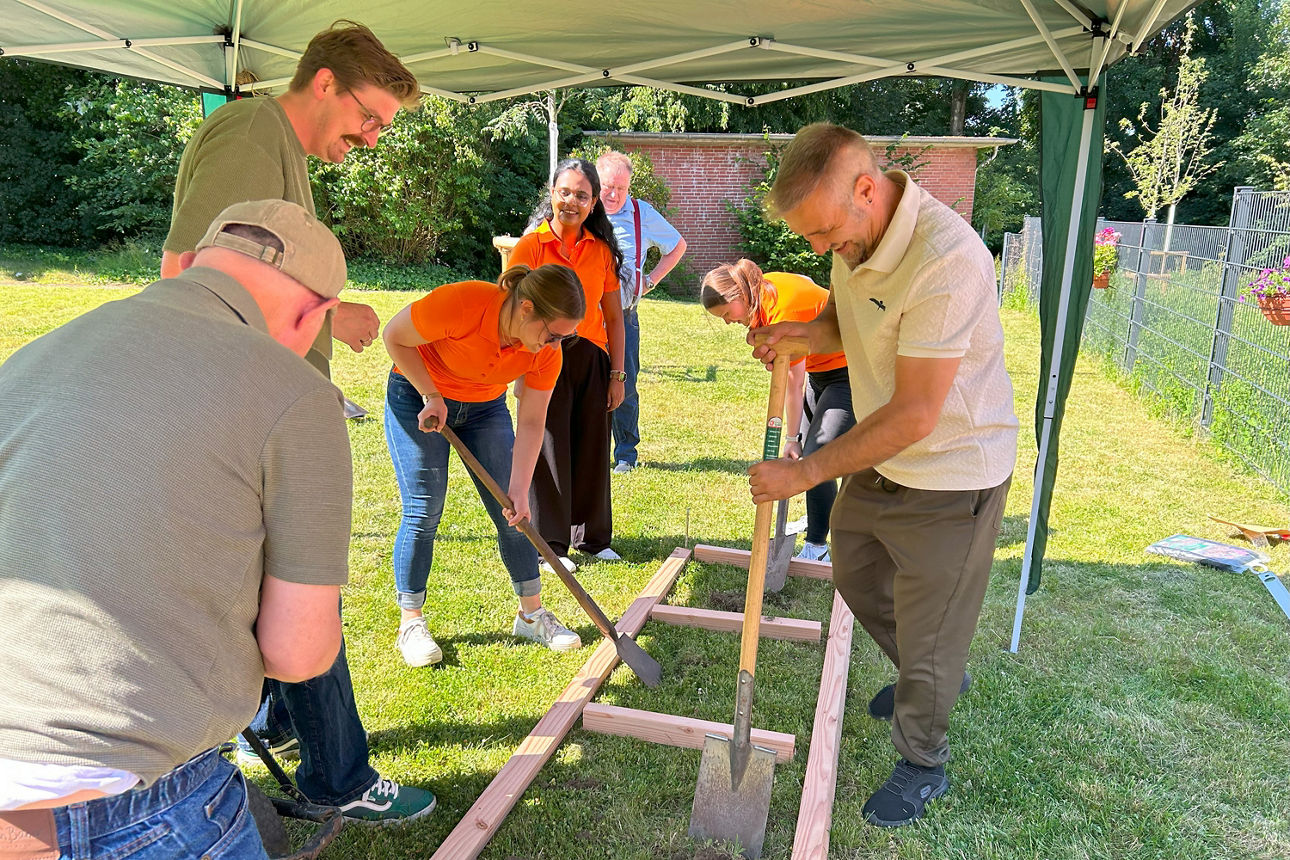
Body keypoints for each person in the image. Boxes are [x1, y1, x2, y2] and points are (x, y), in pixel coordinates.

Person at [0, 201, 351, 858]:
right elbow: (298, 653)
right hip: (128, 802)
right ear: (314, 317)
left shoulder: (30, 359)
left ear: (189, 266)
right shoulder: (294, 393)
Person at [160, 21, 435, 824]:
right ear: (324, 84)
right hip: (241, 418)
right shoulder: (251, 132)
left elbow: (253, 276)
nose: (374, 137)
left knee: (268, 592)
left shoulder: (277, 147)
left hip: (254, 408)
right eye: (370, 117)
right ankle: (338, 778)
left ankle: (274, 727)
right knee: (304, 591)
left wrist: (323, 316)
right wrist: (327, 318)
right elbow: (192, 273)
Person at [747, 124, 1018, 828]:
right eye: (809, 238)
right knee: (856, 570)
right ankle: (934, 675)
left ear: (866, 188)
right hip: (885, 457)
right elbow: (846, 319)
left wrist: (803, 471)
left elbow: (915, 414)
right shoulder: (858, 236)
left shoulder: (946, 257)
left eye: (824, 232)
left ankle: (923, 759)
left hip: (953, 467)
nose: (817, 249)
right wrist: (800, 335)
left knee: (930, 628)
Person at [381, 265, 588, 666]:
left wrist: (519, 489)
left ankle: (530, 614)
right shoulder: (465, 303)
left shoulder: (545, 354)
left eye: (564, 337)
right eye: (553, 333)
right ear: (526, 308)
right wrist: (430, 393)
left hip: (483, 409)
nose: (556, 344)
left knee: (513, 510)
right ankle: (411, 622)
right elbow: (395, 336)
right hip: (417, 393)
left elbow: (531, 421)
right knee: (424, 510)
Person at [509, 158, 626, 571]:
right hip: (543, 354)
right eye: (565, 192)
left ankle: (593, 538)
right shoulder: (530, 247)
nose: (571, 201)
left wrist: (617, 373)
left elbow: (614, 316)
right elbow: (511, 311)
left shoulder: (602, 251)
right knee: (549, 445)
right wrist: (520, 370)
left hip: (592, 356)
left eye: (581, 195)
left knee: (594, 445)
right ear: (552, 194)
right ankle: (552, 543)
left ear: (593, 203)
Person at [700, 259, 854, 562]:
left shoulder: (782, 310)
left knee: (817, 457)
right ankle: (817, 520)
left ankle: (817, 547)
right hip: (821, 373)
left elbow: (793, 383)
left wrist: (792, 437)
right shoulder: (760, 291)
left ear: (738, 297)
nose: (728, 322)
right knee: (812, 455)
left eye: (726, 315)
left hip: (849, 374)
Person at [596, 150, 687, 474]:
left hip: (624, 315)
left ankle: (625, 454)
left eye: (621, 188)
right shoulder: (585, 209)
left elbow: (677, 246)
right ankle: (590, 451)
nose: (614, 194)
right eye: (608, 186)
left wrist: (650, 280)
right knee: (586, 384)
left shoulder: (641, 213)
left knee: (624, 383)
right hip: (585, 319)